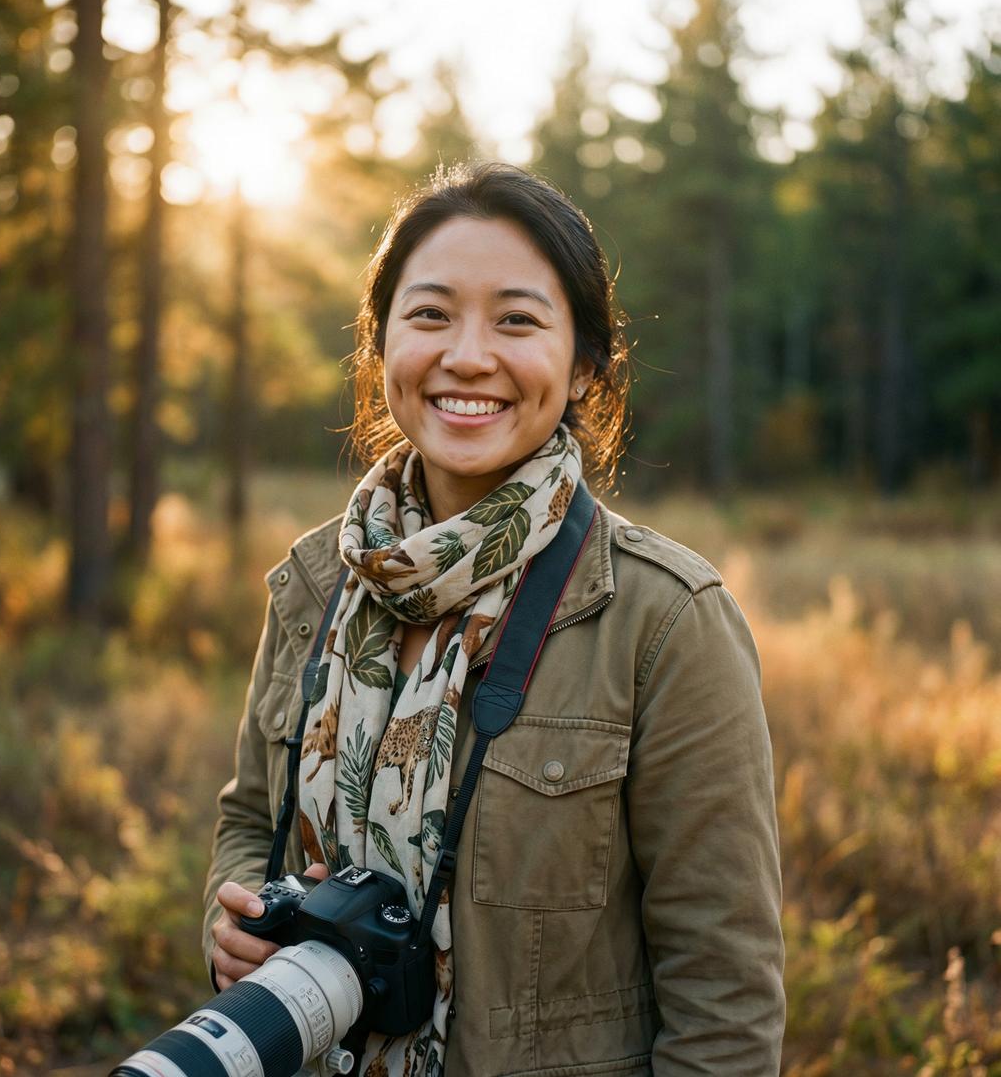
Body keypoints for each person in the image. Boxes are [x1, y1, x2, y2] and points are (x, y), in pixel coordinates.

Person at [202, 161, 785, 1076]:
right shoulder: (320, 583)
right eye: (430, 314)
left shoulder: (666, 625)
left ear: (586, 368)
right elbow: (248, 818)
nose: (468, 356)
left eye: (517, 320)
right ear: (380, 344)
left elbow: (726, 1002)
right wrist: (232, 923)